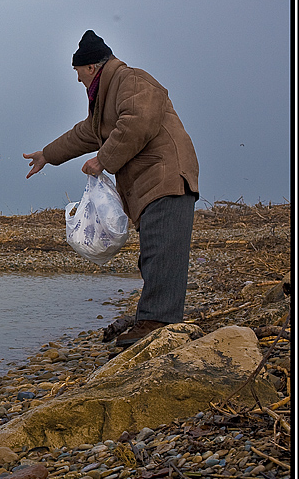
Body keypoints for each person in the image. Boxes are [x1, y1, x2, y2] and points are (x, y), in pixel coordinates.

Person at [24, 30, 200, 348]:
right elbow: (84, 133)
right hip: (151, 182)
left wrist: (102, 160)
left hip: (166, 177)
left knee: (163, 252)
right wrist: (47, 155)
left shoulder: (130, 79)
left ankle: (157, 322)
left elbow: (139, 120)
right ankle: (155, 319)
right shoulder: (107, 98)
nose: (78, 80)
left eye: (78, 73)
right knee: (155, 253)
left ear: (91, 67)